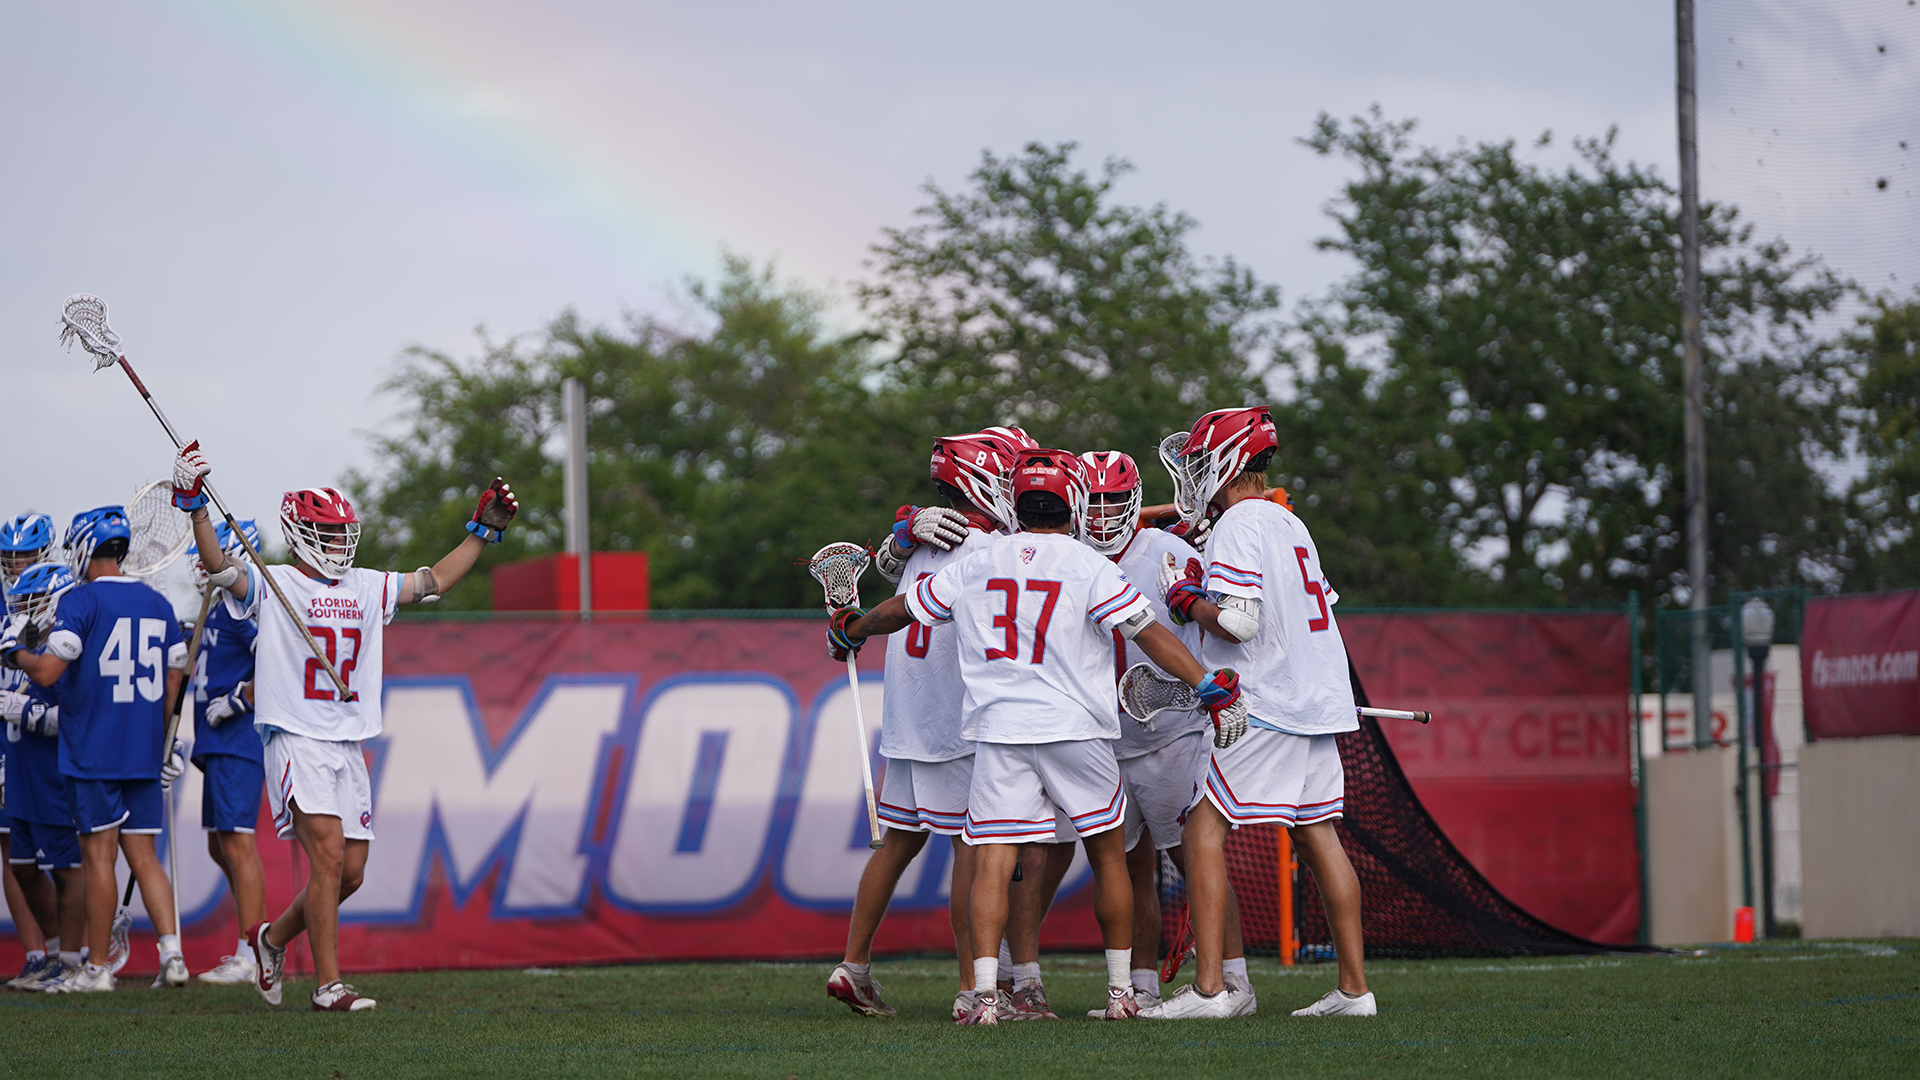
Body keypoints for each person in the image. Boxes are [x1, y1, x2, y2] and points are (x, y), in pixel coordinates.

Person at [829, 449, 1248, 1025]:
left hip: (1000, 733)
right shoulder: (1087, 563)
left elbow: (905, 608)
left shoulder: (980, 559)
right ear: (1072, 501)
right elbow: (1147, 632)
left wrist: (853, 627)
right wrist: (1204, 683)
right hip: (1077, 730)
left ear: (1016, 500)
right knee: (1110, 857)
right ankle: (1121, 994)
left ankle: (982, 998)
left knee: (993, 860)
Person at [174, 442, 516, 1011]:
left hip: (345, 741)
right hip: (296, 737)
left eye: (341, 533)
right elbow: (219, 566)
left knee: (350, 873)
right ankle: (328, 986)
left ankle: (270, 939)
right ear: (302, 534)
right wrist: (196, 507)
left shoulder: (366, 585)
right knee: (329, 858)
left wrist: (483, 532)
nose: (338, 542)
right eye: (328, 533)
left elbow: (434, 581)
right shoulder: (277, 583)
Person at [1148, 406, 1375, 1019]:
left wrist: (1187, 601)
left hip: (1268, 701)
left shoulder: (1239, 522)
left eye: (1200, 461)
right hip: (1317, 700)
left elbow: (1239, 622)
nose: (1194, 473)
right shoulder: (1287, 520)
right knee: (1317, 834)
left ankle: (1211, 991)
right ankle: (1355, 991)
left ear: (1225, 462)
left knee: (1202, 830)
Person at [827, 430, 1021, 1021]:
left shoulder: (925, 539)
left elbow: (891, 562)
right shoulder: (989, 548)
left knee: (899, 842)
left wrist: (901, 535)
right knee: (974, 847)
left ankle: (853, 965)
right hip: (955, 714)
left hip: (909, 715)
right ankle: (971, 986)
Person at [1076, 450, 1256, 1015]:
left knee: (1193, 857)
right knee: (1129, 865)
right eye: (1092, 501)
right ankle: (1142, 985)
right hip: (1103, 737)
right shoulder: (1067, 555)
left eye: (1112, 500)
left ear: (1132, 501)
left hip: (1172, 733)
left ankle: (1234, 980)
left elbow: (1220, 626)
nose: (1102, 513)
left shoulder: (1169, 551)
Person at [3, 508, 190, 993]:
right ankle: (172, 955)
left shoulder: (80, 600)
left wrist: (14, 652)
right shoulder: (157, 602)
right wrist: (163, 741)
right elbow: (175, 678)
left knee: (99, 859)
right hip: (143, 750)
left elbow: (47, 673)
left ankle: (97, 968)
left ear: (85, 547)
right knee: (144, 855)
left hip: (94, 748)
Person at [184, 519, 267, 986]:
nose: (201, 564)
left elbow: (277, 656)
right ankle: (253, 940)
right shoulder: (217, 609)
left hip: (238, 739)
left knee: (236, 842)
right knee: (220, 845)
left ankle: (252, 951)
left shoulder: (242, 608)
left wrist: (239, 698)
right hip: (215, 741)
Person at [2, 517, 64, 990]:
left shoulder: (63, 600)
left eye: (27, 554)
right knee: (11, 851)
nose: (19, 564)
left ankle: (74, 953)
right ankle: (37, 955)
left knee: (71, 858)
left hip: (50, 745)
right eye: (11, 556)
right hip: (9, 741)